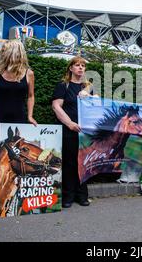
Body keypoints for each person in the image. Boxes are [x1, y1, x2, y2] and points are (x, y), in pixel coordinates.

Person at [52, 56, 95, 208]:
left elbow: (96, 106)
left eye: (83, 65)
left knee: (83, 163)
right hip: (68, 131)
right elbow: (56, 107)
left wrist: (92, 97)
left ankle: (82, 195)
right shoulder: (63, 86)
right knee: (69, 163)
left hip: (85, 132)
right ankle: (68, 196)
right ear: (70, 68)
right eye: (77, 65)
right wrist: (69, 123)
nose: (80, 68)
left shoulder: (88, 87)